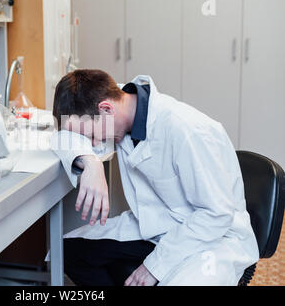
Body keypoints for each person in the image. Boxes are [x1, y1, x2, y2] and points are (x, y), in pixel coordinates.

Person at [50, 69, 259, 286]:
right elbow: (61, 137)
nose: (94, 144)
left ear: (106, 109)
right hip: (159, 226)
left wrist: (154, 267)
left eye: (90, 136)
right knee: (67, 252)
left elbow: (216, 215)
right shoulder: (117, 103)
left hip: (211, 237)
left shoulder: (188, 129)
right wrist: (90, 163)